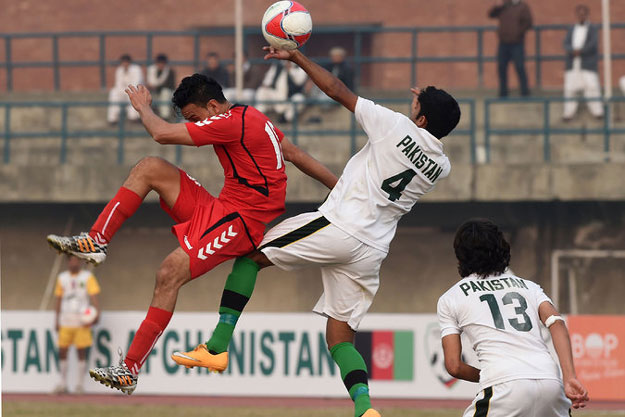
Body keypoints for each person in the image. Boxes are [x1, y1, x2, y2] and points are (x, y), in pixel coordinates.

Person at [172, 46, 461, 417]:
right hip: (372, 249)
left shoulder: (394, 126)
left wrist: (298, 59)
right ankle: (365, 409)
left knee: (249, 256)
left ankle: (216, 347)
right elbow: (421, 133)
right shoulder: (442, 165)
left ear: (421, 121)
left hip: (339, 225)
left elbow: (338, 89)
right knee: (340, 337)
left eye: (418, 105)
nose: (412, 106)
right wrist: (427, 101)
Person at [47, 74, 337, 394]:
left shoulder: (229, 122)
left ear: (213, 105)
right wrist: (339, 187)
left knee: (169, 272)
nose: (195, 125)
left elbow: (159, 132)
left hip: (240, 223)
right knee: (150, 167)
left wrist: (143, 107)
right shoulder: (252, 116)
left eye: (196, 118)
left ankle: (129, 369)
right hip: (222, 208)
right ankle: (96, 240)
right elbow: (295, 154)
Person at [437, 218, 589, 416]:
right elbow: (556, 322)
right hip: (549, 380)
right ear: (502, 247)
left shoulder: (451, 298)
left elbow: (454, 366)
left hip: (504, 386)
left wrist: (494, 375)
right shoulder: (529, 287)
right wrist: (569, 377)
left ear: (460, 256)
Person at [53, 255, 101, 395]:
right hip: (66, 320)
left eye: (76, 260)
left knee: (81, 351)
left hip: (82, 321)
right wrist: (56, 319)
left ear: (80, 262)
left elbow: (93, 296)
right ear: (68, 262)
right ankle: (62, 383)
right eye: (71, 259)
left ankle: (79, 385)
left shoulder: (87, 277)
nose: (74, 262)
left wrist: (97, 312)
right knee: (62, 351)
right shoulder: (62, 278)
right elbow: (59, 299)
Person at [562, 5, 603, 121]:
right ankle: (568, 114)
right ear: (576, 15)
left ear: (587, 15)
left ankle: (598, 112)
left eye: (583, 14)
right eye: (579, 14)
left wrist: (580, 51)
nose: (581, 16)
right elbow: (565, 43)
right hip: (573, 64)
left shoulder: (593, 29)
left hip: (587, 63)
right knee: (570, 89)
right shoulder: (571, 29)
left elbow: (593, 44)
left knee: (592, 87)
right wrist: (572, 51)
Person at [488, 0, 533, 97]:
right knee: (501, 67)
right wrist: (497, 6)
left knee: (520, 66)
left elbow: (529, 22)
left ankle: (524, 91)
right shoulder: (503, 5)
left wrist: (518, 33)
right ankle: (503, 92)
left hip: (517, 43)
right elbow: (491, 15)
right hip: (503, 43)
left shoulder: (523, 7)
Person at [107, 54, 144, 124]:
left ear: (129, 62)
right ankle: (113, 119)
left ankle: (133, 117)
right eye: (123, 62)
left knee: (132, 94)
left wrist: (126, 90)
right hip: (124, 91)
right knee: (113, 92)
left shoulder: (136, 69)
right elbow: (118, 85)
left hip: (137, 91)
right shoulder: (119, 70)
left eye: (126, 62)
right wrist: (124, 90)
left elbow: (135, 84)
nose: (124, 64)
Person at [147, 53, 176, 120]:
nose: (161, 65)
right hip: (155, 93)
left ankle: (164, 117)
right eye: (159, 63)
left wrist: (155, 86)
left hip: (168, 94)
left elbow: (169, 86)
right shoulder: (153, 70)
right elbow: (150, 83)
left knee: (164, 93)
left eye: (162, 63)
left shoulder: (170, 72)